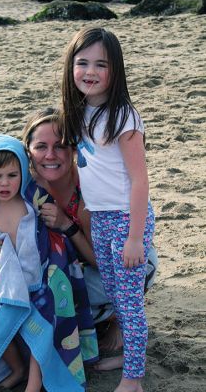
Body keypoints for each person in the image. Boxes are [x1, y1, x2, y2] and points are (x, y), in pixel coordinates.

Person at [0, 109, 159, 357]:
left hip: (120, 261)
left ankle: (116, 318)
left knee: (60, 304)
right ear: (27, 150)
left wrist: (66, 226)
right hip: (67, 268)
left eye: (60, 146)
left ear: (74, 149)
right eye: (41, 146)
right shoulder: (19, 183)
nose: (50, 155)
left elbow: (101, 262)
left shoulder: (89, 188)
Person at [60, 27, 155, 392]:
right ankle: (132, 355)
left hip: (127, 220)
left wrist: (135, 238)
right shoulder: (82, 111)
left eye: (101, 64)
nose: (90, 71)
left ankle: (134, 378)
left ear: (115, 71)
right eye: (82, 62)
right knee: (117, 296)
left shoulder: (123, 117)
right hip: (100, 218)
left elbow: (140, 181)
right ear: (71, 67)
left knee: (130, 305)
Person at [0, 134, 98, 392]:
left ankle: (35, 380)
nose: (5, 183)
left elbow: (56, 231)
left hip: (41, 279)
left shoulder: (33, 198)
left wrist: (55, 217)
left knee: (46, 325)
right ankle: (17, 368)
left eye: (12, 175)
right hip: (5, 284)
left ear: (22, 172)